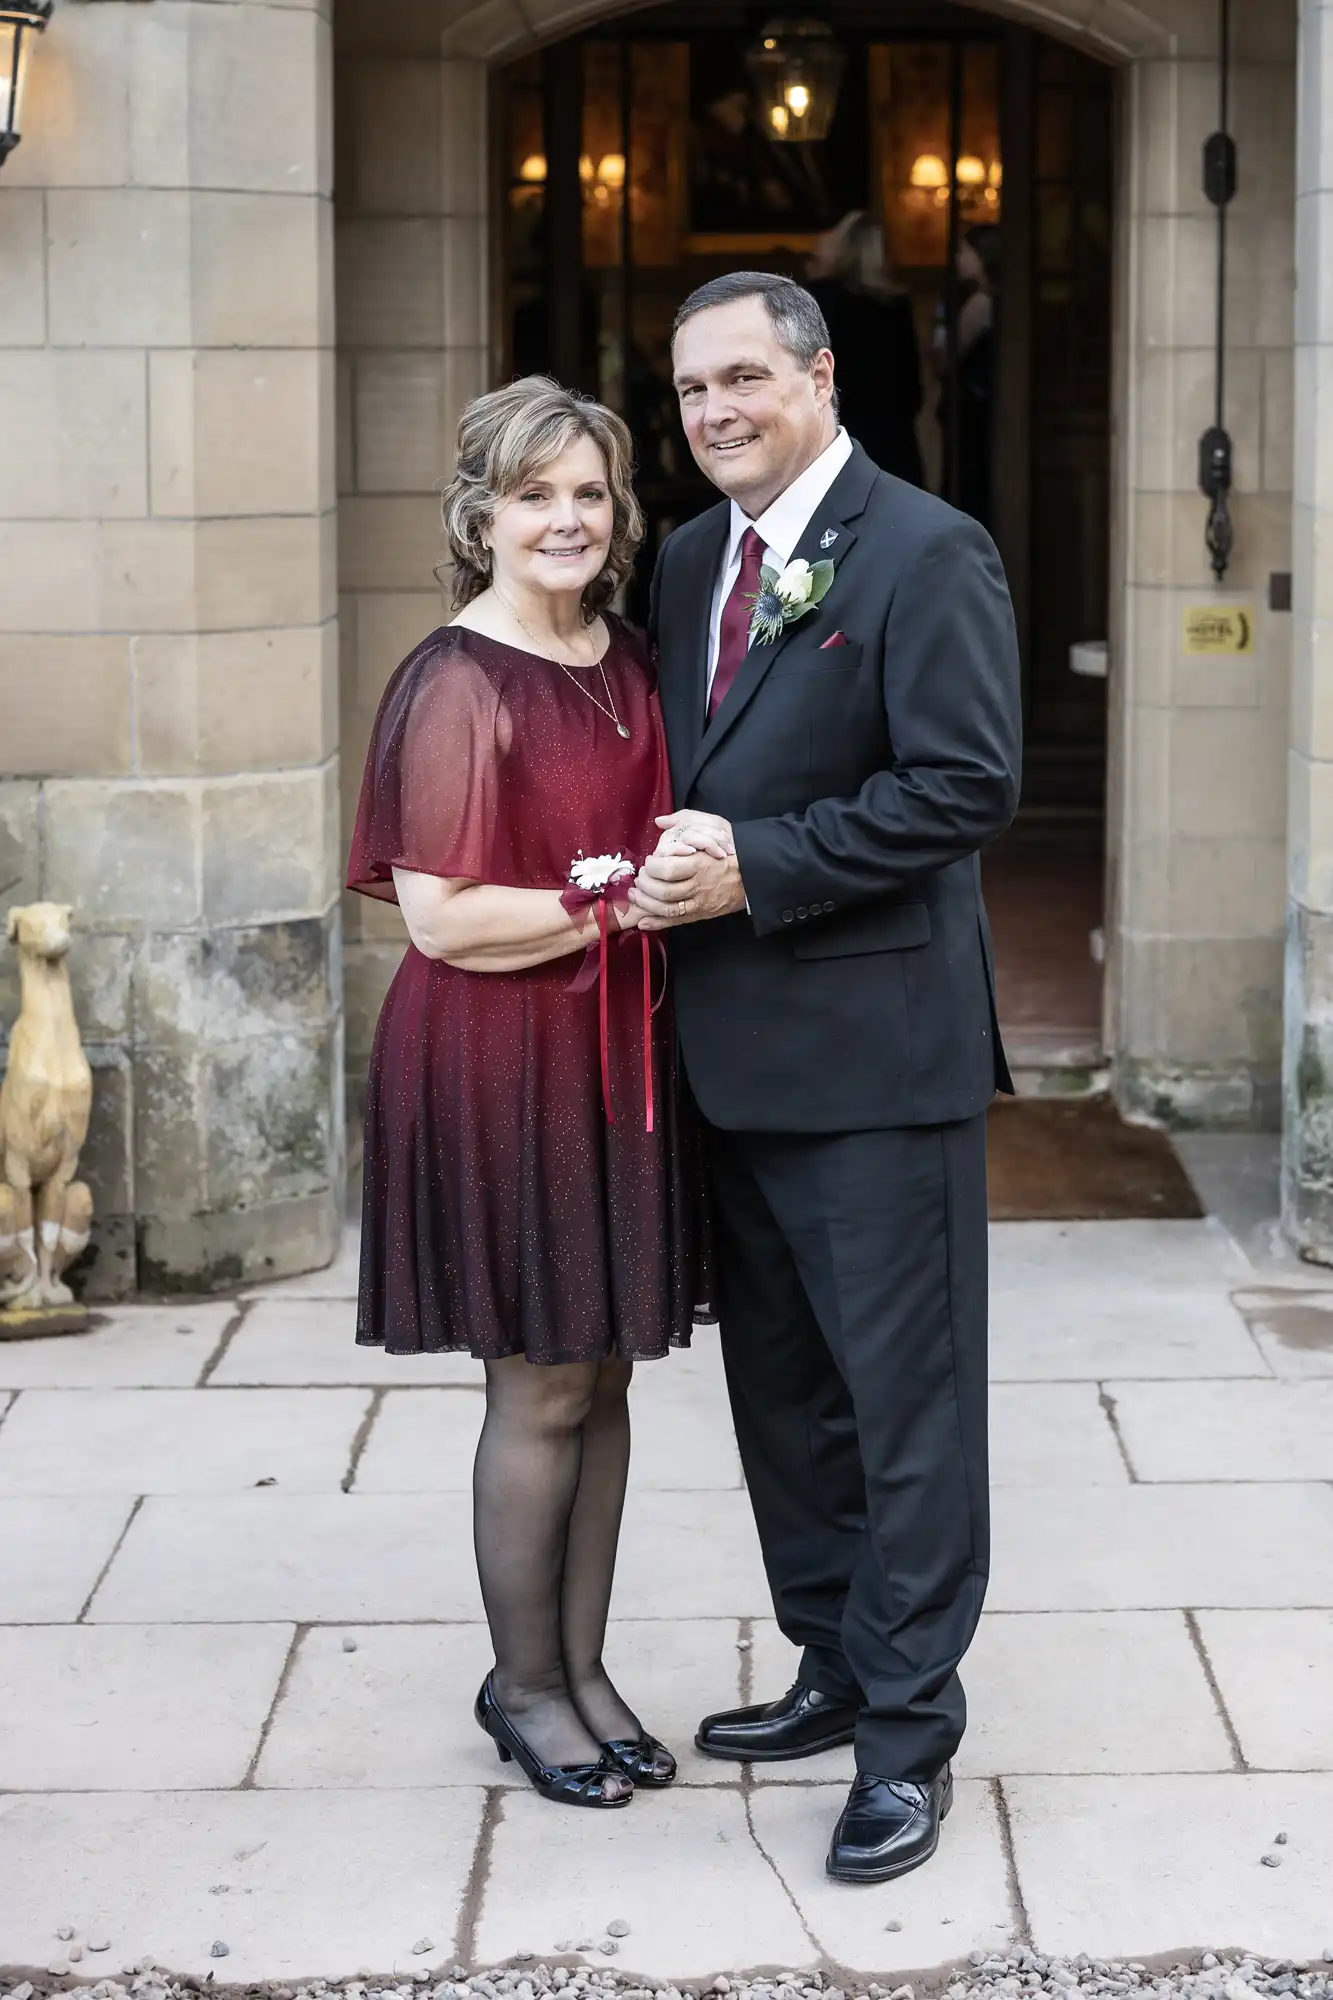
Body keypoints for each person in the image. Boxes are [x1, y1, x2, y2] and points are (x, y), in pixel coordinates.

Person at [630, 273, 1022, 1882]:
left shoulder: (927, 549)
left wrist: (755, 868)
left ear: (817, 376)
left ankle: (910, 1739)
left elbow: (966, 786)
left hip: (878, 1062)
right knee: (785, 1405)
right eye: (689, 390)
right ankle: (833, 1662)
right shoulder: (680, 560)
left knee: (905, 1414)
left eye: (740, 378)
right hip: (728, 1059)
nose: (714, 411)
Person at [346, 377, 707, 1811]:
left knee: (607, 1365)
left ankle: (585, 1661)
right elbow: (439, 919)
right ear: (482, 513)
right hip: (498, 1057)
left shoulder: (627, 657)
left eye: (589, 494)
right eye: (534, 493)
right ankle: (525, 1687)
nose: (566, 519)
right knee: (540, 1376)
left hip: (617, 1047)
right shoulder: (456, 679)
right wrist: (622, 911)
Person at [806, 210, 925, 487]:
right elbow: (912, 389)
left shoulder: (820, 299)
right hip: (893, 441)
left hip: (835, 436)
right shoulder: (896, 306)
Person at [937, 223, 1000, 526]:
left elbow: (947, 358)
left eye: (964, 251)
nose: (958, 259)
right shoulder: (988, 301)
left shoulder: (981, 304)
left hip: (972, 415)